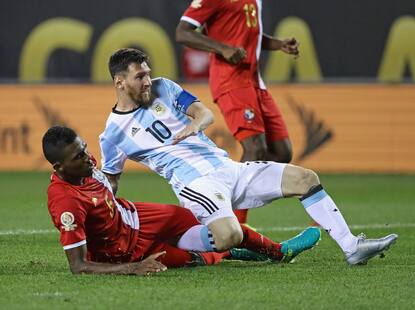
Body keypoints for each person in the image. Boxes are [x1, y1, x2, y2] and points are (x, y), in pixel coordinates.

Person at [100, 48, 397, 266]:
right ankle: (177, 245)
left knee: (305, 179)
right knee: (229, 236)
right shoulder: (113, 134)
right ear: (119, 82)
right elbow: (111, 182)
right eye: (140, 77)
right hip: (196, 185)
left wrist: (195, 125)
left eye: (148, 73)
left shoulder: (164, 87)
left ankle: (351, 247)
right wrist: (106, 219)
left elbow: (204, 113)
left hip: (228, 168)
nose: (148, 80)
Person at [43, 126, 321, 275]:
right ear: (59, 168)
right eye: (77, 157)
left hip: (137, 216)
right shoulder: (65, 203)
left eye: (84, 149)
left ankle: (278, 251)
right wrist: (133, 268)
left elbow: (107, 182)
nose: (87, 158)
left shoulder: (84, 165)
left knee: (205, 222)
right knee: (199, 259)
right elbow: (78, 266)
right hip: (122, 251)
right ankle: (231, 252)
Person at [176, 0, 299, 224]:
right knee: (255, 149)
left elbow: (247, 35)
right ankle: (236, 228)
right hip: (231, 81)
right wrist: (222, 48)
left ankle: (215, 194)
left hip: (255, 82)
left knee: (282, 153)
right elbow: (183, 32)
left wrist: (278, 43)